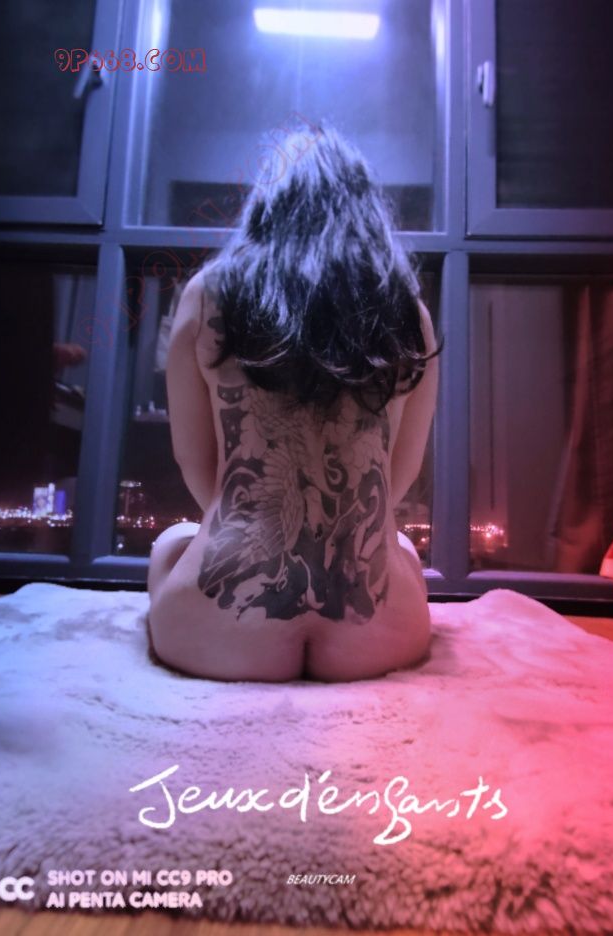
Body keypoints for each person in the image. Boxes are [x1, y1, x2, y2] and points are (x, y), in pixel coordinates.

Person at [147, 120, 443, 682]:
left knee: (170, 544)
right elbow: (398, 477)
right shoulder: (408, 311)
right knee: (401, 546)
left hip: (217, 632)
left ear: (265, 207)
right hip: (379, 634)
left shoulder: (207, 295)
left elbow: (197, 466)